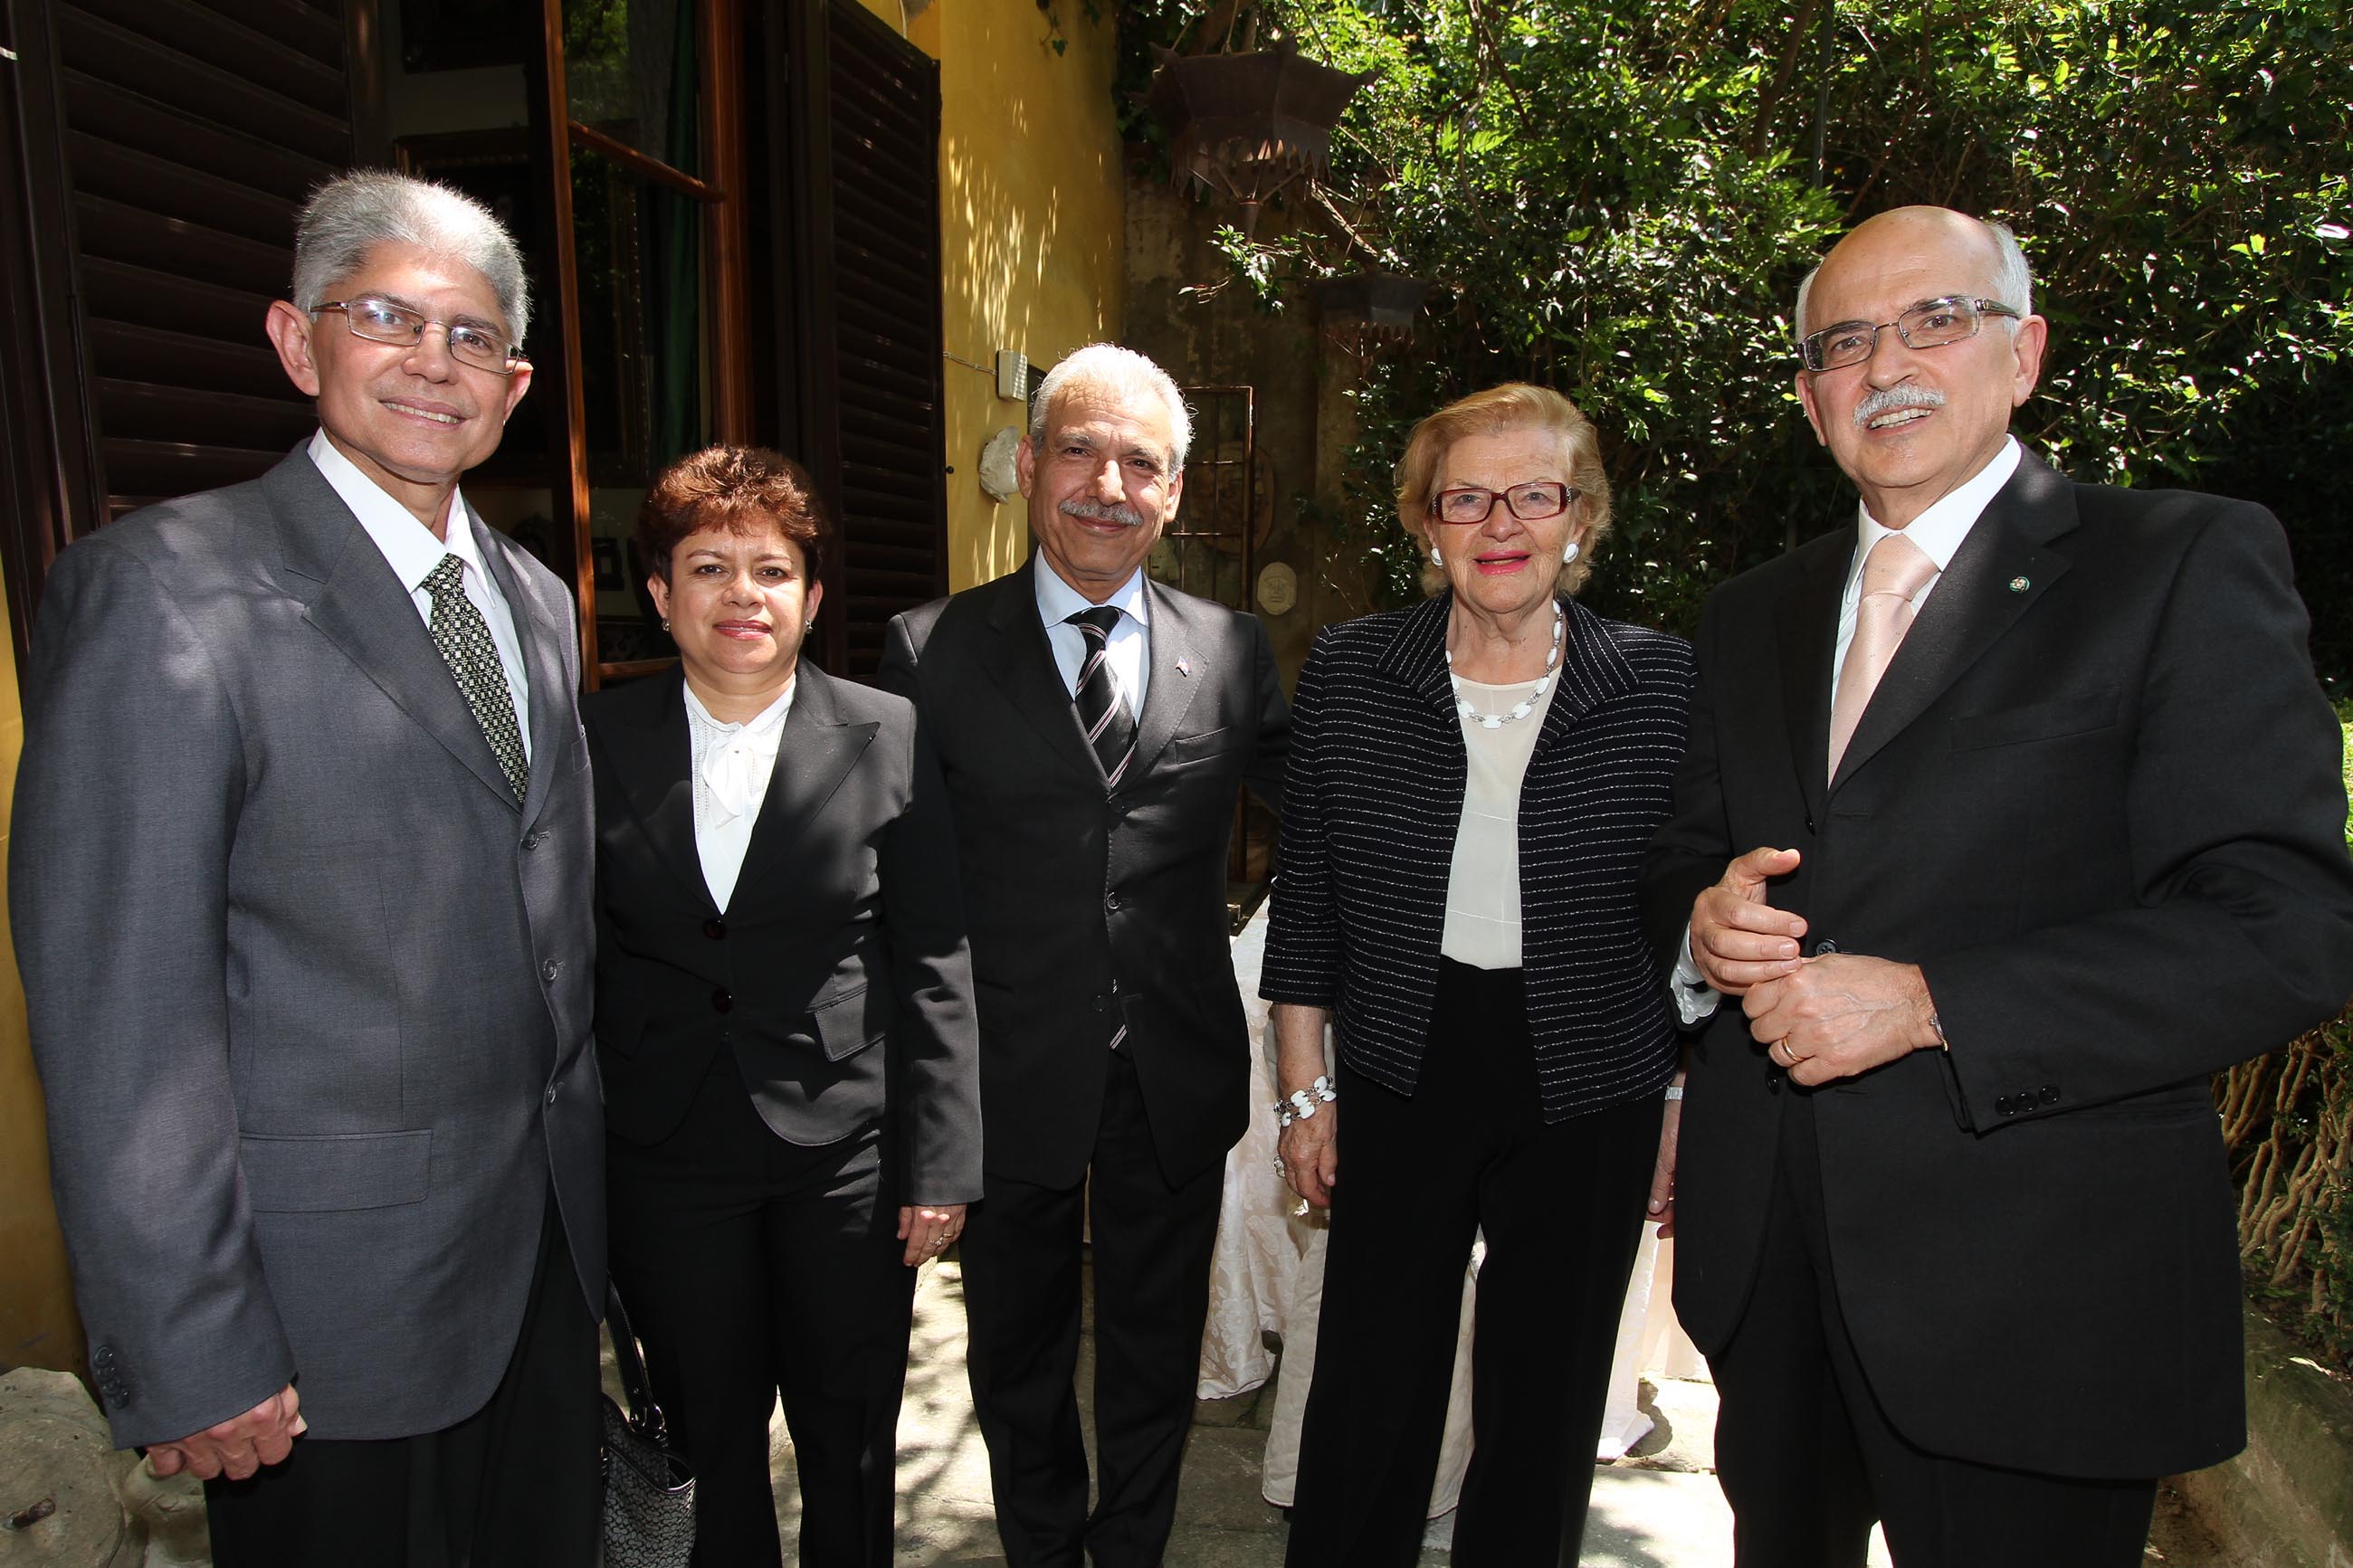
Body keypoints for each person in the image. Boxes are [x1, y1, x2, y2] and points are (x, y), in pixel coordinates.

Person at [1639, 206, 2353, 1568]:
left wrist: (1928, 1002)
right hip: (1771, 1267)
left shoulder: (2180, 564)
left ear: (2022, 353)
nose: (1886, 363)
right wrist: (1699, 921)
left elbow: (2287, 926)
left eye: (1935, 320)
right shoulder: (1752, 611)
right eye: (1844, 341)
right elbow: (1682, 851)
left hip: (2040, 1289)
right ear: (1809, 397)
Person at [11, 171, 603, 1564]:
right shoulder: (164, 593)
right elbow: (120, 1008)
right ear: (297, 341)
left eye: (471, 337)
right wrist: (188, 1343)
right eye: (387, 316)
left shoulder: (535, 598)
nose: (430, 362)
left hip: (537, 1276)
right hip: (318, 1328)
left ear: (513, 386)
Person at [1261, 382, 1692, 1566]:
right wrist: (1306, 1093)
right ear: (1425, 522)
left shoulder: (1659, 682)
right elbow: (1309, 904)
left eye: (1535, 493)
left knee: (1543, 1404)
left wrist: (1675, 1103)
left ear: (1581, 516)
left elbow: (1684, 924)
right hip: (1406, 1053)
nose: (1501, 522)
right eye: (1466, 497)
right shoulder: (1353, 670)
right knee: (1368, 1385)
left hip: (1592, 1073)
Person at [877, 342, 1290, 1567]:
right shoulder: (929, 649)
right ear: (1027, 464)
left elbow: (1329, 808)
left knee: (1159, 1354)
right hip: (1005, 1072)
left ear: (1173, 492)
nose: (1108, 482)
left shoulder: (1230, 649)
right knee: (1018, 1356)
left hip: (1173, 1068)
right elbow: (906, 895)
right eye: (1080, 448)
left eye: (1142, 462)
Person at [586, 445, 981, 1567]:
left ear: (810, 598)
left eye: (769, 569)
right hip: (664, 1151)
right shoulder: (595, 740)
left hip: (842, 1151)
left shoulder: (886, 733)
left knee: (847, 1430)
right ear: (660, 595)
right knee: (707, 1432)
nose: (740, 595)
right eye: (708, 567)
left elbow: (935, 953)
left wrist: (942, 1161)